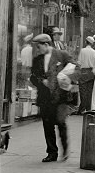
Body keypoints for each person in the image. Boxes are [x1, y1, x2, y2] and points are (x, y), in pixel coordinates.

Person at [30, 33, 74, 161]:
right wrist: (41, 82)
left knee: (61, 122)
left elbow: (76, 66)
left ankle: (65, 149)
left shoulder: (62, 55)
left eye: (39, 47)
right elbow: (33, 77)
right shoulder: (37, 60)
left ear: (46, 44)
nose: (38, 50)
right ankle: (52, 153)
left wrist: (68, 79)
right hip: (45, 97)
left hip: (61, 96)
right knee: (48, 126)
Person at [76, 35, 95, 113]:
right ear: (92, 44)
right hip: (91, 72)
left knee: (83, 91)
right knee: (89, 91)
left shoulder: (82, 50)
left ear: (86, 42)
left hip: (83, 72)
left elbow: (79, 62)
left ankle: (82, 108)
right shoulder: (94, 52)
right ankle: (88, 108)